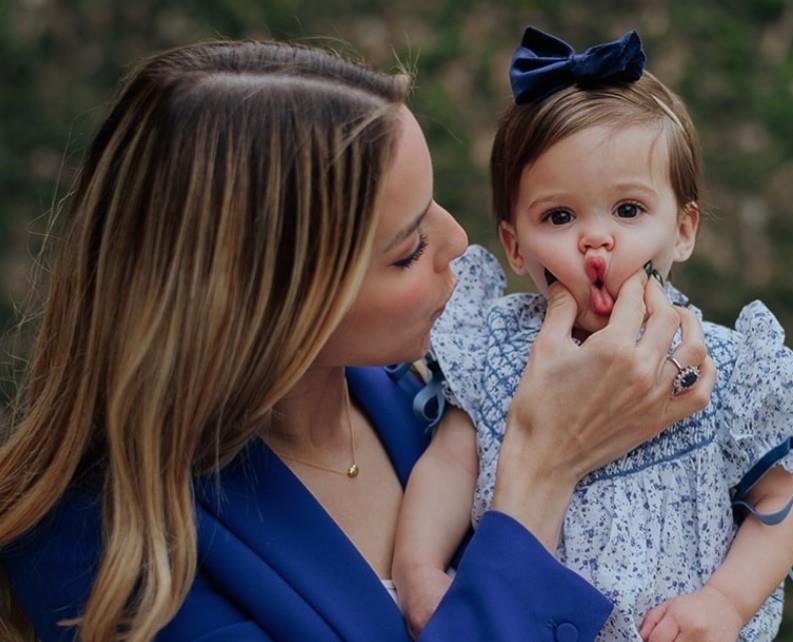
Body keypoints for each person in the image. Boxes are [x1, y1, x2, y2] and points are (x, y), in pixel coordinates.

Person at [0, 40, 714, 642]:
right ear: (268, 304)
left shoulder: (427, 393)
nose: (460, 243)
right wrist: (541, 474)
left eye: (434, 204)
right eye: (406, 252)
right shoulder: (102, 553)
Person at [392, 27, 793, 642]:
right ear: (515, 245)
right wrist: (420, 571)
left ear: (684, 230)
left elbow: (780, 497)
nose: (596, 240)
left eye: (628, 210)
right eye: (559, 217)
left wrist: (726, 601)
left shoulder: (717, 362)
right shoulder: (496, 354)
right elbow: (449, 468)